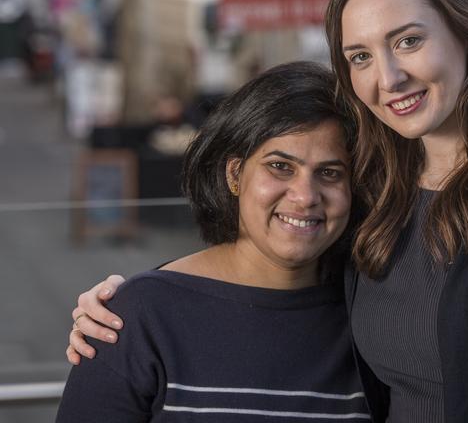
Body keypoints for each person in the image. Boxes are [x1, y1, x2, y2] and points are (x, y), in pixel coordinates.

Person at [66, 0, 468, 422]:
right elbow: (272, 255)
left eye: (408, 40)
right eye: (359, 56)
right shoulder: (378, 187)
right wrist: (128, 301)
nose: (388, 77)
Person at [57, 61, 371, 421]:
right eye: (280, 166)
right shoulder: (137, 317)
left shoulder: (373, 317)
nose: (305, 196)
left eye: (330, 173)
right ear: (234, 174)